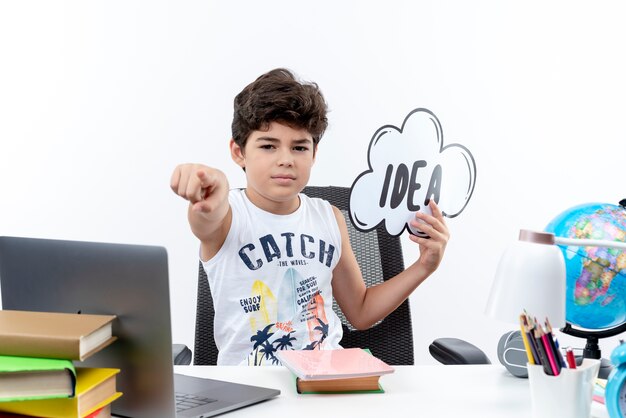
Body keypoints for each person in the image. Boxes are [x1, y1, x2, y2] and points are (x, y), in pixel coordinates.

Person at [170, 68, 449, 365]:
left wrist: (424, 266)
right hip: (252, 387)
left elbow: (361, 311)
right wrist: (212, 189)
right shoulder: (228, 214)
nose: (286, 159)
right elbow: (206, 218)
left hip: (326, 385)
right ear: (238, 152)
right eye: (268, 146)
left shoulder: (329, 217)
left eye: (299, 147)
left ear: (314, 153)